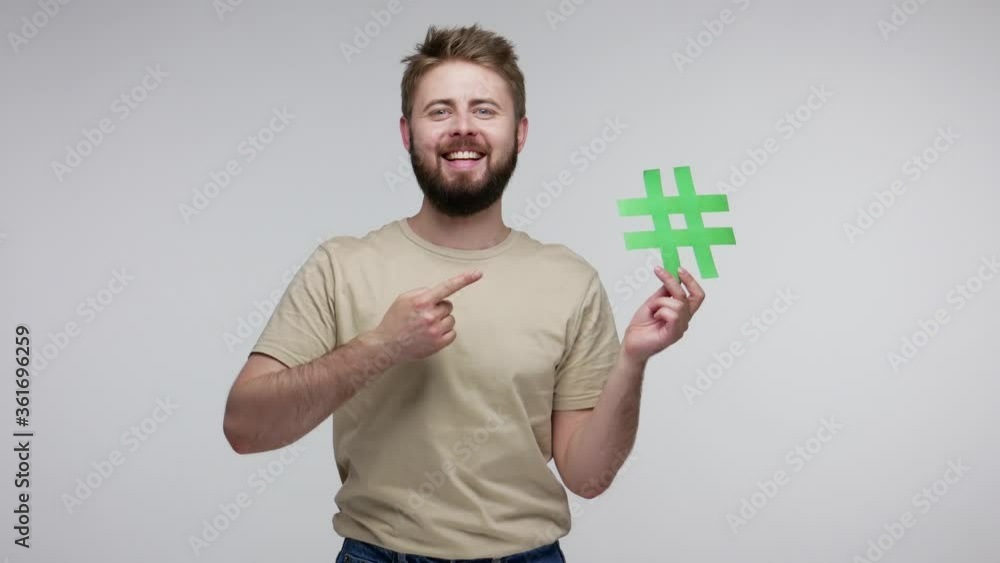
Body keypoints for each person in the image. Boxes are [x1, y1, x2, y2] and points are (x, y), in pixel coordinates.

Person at [222, 23, 705, 563]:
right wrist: (382, 346)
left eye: (484, 110)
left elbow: (588, 477)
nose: (463, 128)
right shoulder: (341, 266)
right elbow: (245, 429)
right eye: (439, 111)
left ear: (519, 133)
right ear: (407, 133)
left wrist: (634, 360)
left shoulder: (571, 280)